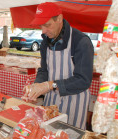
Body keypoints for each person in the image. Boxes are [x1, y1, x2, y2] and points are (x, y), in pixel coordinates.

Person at [23, 2, 94, 130]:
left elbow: (83, 80)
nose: (43, 31)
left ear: (59, 19)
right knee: (49, 137)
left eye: (47, 25)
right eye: (41, 26)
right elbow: (44, 70)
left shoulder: (81, 42)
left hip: (74, 103)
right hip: (51, 101)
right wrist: (36, 86)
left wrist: (49, 85)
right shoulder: (45, 42)